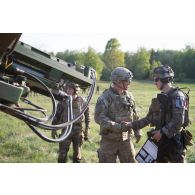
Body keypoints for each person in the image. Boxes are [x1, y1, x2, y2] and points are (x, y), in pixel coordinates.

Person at [125, 65, 188, 163]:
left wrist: (161, 132)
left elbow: (178, 121)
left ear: (165, 79)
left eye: (156, 79)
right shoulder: (158, 99)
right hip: (160, 142)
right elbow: (149, 118)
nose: (154, 83)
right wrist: (132, 125)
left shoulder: (178, 96)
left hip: (174, 143)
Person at [94, 67, 142, 163]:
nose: (129, 83)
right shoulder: (105, 98)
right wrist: (118, 127)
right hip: (109, 141)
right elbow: (99, 118)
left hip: (126, 140)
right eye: (127, 81)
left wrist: (138, 130)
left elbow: (135, 115)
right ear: (118, 81)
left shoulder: (129, 96)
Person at [52, 82, 90, 163]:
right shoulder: (63, 101)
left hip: (78, 130)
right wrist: (53, 129)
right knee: (62, 154)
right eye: (67, 89)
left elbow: (87, 117)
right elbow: (57, 116)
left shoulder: (83, 101)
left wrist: (86, 130)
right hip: (66, 130)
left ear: (75, 90)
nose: (68, 90)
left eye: (70, 89)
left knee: (77, 154)